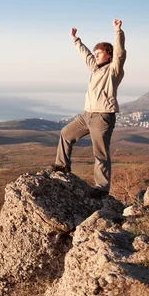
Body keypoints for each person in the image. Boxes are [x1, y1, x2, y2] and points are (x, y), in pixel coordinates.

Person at [48, 19, 126, 198]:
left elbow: (120, 52)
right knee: (66, 134)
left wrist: (117, 31)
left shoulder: (114, 70)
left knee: (100, 153)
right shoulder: (95, 68)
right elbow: (85, 55)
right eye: (96, 53)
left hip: (103, 116)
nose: (96, 55)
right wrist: (75, 39)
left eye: (100, 53)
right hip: (87, 115)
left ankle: (102, 188)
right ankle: (62, 165)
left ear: (109, 55)